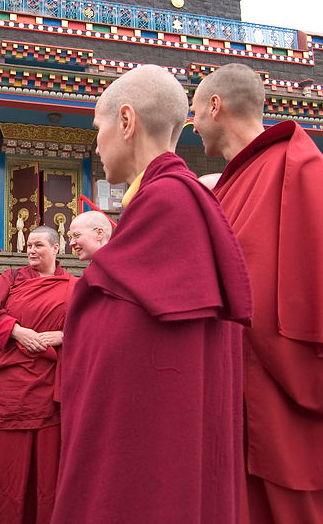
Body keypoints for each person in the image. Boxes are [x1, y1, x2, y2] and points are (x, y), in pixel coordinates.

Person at [191, 63, 323, 523]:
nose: (194, 123)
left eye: (195, 112)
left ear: (216, 107)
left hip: (292, 385)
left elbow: (291, 293)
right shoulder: (239, 178)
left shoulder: (297, 166)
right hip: (245, 385)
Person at [51, 65, 253, 523]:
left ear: (126, 121)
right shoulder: (174, 202)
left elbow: (127, 347)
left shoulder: (168, 205)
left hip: (152, 450)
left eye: (98, 128)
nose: (96, 143)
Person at [0, 225, 76, 524]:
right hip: (11, 388)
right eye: (29, 246)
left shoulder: (74, 285)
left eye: (38, 245)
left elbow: (91, 325)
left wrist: (63, 336)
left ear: (56, 248)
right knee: (5, 471)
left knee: (47, 471)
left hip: (49, 390)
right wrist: (18, 332)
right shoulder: (11, 279)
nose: (32, 251)